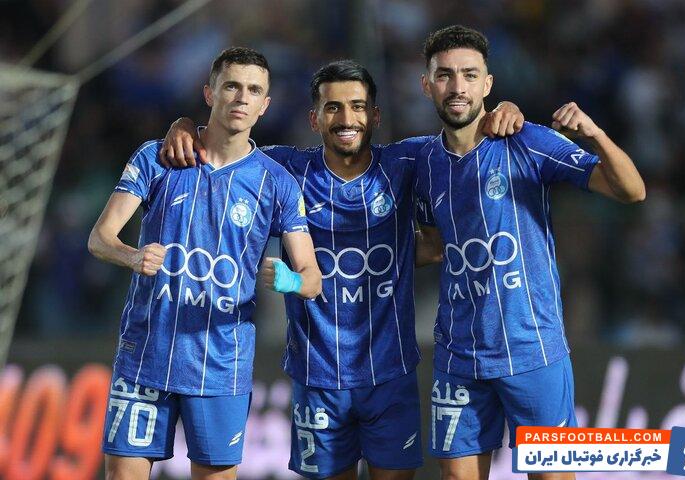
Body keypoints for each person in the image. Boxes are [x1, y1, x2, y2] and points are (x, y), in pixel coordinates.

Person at [160, 60, 523, 479]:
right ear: (314, 119)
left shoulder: (405, 162)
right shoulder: (285, 170)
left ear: (375, 116)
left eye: (358, 106)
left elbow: (463, 136)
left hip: (390, 372)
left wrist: (506, 109)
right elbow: (225, 147)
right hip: (317, 375)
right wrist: (185, 126)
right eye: (333, 108)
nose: (346, 119)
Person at [414, 25, 646, 480]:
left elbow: (632, 190)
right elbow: (435, 246)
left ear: (487, 83)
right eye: (445, 75)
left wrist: (594, 134)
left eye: (469, 75)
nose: (457, 86)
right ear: (427, 85)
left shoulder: (527, 141)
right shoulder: (421, 162)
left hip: (531, 350)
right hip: (458, 356)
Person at [88, 46, 321, 480]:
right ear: (210, 93)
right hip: (145, 356)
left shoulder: (278, 183)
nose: (242, 97)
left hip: (220, 367)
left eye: (254, 90)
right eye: (231, 86)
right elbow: (100, 238)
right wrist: (132, 255)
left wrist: (289, 279)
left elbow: (312, 279)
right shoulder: (158, 157)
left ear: (265, 105)